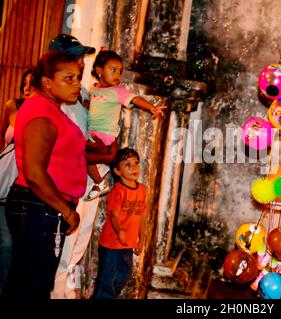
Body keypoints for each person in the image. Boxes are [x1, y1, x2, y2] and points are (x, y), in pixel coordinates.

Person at [1, 51, 86, 300]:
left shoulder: (49, 109)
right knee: (33, 287)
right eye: (68, 78)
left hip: (39, 206)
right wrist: (68, 211)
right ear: (48, 82)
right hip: (39, 207)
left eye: (78, 77)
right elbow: (35, 172)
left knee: (23, 284)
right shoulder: (42, 112)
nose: (77, 83)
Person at [47, 34, 120, 299]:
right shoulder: (56, 100)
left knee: (78, 244)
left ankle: (67, 292)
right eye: (76, 57)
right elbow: (69, 148)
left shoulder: (84, 93)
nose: (81, 63)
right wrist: (103, 156)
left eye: (82, 58)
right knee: (63, 247)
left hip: (88, 182)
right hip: (66, 184)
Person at [84, 49, 166, 201]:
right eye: (113, 70)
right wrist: (88, 105)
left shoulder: (117, 91)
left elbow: (135, 99)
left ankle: (100, 183)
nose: (117, 75)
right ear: (99, 70)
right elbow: (96, 109)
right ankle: (99, 181)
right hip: (93, 134)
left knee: (83, 156)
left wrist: (151, 107)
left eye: (119, 72)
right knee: (84, 157)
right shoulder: (94, 89)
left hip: (104, 136)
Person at [92, 147, 147, 299]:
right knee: (106, 278)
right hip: (111, 244)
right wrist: (120, 231)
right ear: (117, 171)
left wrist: (142, 238)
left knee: (124, 275)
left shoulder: (142, 189)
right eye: (127, 165)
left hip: (127, 244)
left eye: (136, 163)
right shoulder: (118, 190)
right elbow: (114, 215)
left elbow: (143, 215)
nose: (134, 167)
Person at [0, 69, 33, 294]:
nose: (29, 88)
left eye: (34, 83)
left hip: (28, 190)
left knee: (23, 247)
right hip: (5, 184)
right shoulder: (14, 106)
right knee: (5, 244)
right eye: (26, 84)